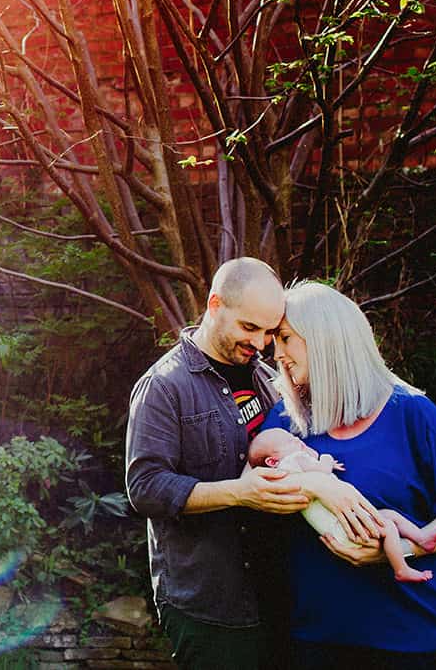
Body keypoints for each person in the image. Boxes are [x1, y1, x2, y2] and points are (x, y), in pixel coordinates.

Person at [125, 258, 380, 670]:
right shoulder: (164, 386)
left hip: (279, 591)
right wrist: (240, 493)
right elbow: (145, 487)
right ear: (214, 305)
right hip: (209, 602)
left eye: (269, 331)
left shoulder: (267, 380)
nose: (261, 343)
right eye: (249, 328)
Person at [267, 281, 436, 669]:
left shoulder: (411, 412)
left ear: (326, 337)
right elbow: (252, 486)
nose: (277, 353)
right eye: (274, 341)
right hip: (321, 637)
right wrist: (313, 481)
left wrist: (397, 552)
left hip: (415, 636)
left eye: (285, 338)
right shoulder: (286, 423)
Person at [248, 426, 436, 583]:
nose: (298, 441)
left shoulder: (282, 476)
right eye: (290, 441)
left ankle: (422, 538)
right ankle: (401, 569)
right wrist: (326, 458)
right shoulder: (293, 461)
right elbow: (322, 467)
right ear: (272, 462)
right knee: (388, 525)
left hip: (339, 531)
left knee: (389, 516)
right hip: (346, 527)